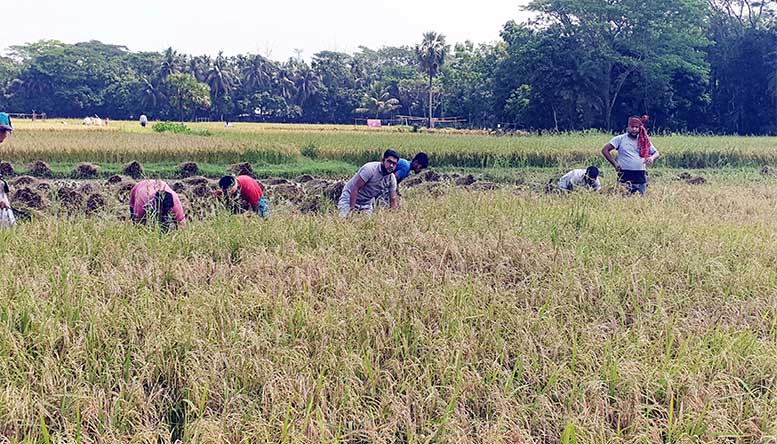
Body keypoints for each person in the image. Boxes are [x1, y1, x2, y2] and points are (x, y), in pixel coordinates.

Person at [602, 115, 660, 195]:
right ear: (628, 127)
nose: (634, 129)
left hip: (640, 174)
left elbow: (656, 153)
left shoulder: (643, 140)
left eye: (636, 127)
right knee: (623, 197)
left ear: (640, 128)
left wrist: (652, 158)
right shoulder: (620, 139)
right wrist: (615, 164)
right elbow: (605, 150)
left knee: (641, 198)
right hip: (625, 173)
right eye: (632, 127)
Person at [338, 149, 399, 218]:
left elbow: (392, 199)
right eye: (389, 161)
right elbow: (355, 188)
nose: (391, 165)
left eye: (394, 163)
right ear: (383, 160)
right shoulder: (370, 169)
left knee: (367, 225)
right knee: (346, 220)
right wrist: (352, 210)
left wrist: (393, 218)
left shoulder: (392, 179)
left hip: (366, 203)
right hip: (349, 197)